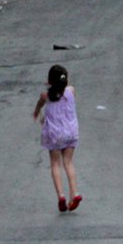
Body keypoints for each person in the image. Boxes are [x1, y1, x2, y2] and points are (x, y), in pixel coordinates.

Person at [32, 64, 81, 212]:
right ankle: (75, 193)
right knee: (68, 163)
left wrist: (36, 114)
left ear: (49, 80)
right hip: (71, 132)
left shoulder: (45, 96)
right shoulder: (71, 91)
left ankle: (61, 195)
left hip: (54, 134)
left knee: (55, 164)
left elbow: (39, 107)